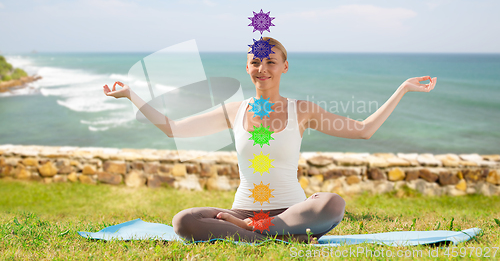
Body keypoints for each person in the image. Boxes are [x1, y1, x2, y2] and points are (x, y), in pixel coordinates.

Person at [103, 37, 437, 242]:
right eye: (255, 61)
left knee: (331, 203)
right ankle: (263, 233)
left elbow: (364, 129)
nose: (262, 67)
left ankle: (260, 231)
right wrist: (133, 95)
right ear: (247, 67)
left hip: (291, 211)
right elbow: (173, 128)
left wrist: (402, 89)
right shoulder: (233, 110)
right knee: (183, 221)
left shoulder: (301, 110)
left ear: (285, 67)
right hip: (241, 209)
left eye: (270, 61)